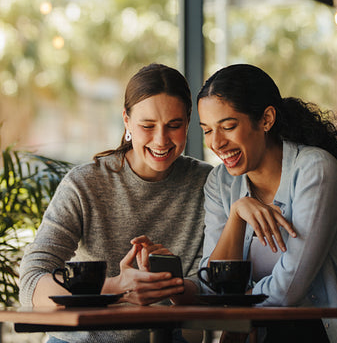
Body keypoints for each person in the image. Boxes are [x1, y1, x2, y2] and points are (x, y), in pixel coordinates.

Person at [19, 63, 212, 343]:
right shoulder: (85, 184)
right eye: (147, 126)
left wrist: (169, 282)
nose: (161, 140)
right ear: (126, 120)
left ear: (188, 121)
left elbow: (208, 289)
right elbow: (31, 283)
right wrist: (114, 287)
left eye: (174, 125)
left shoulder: (208, 184)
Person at [197, 63, 337, 343]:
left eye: (228, 126)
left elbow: (289, 288)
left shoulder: (316, 170)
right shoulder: (220, 182)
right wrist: (237, 215)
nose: (217, 143)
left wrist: (236, 308)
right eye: (207, 130)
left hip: (323, 334)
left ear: (266, 119)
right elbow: (211, 287)